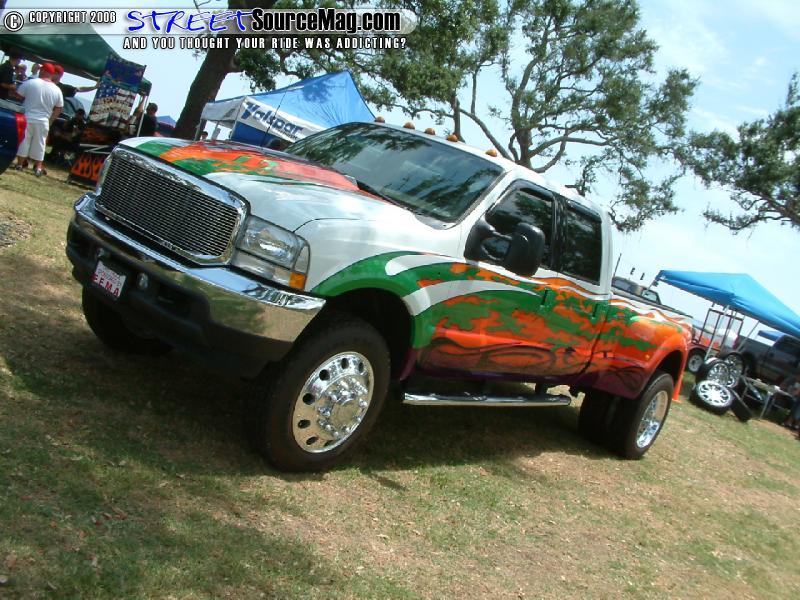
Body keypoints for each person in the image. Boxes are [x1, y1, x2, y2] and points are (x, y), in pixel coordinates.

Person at [13, 63, 64, 177]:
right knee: (40, 144)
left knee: (24, 141)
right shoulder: (57, 90)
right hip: (43, 120)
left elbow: (18, 96)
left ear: (43, 71)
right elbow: (59, 108)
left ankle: (20, 164)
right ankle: (38, 167)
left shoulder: (30, 82)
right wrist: (51, 120)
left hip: (28, 117)